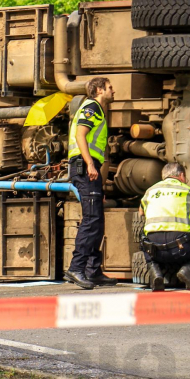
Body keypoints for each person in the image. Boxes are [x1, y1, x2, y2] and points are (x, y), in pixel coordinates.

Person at [64, 77, 116, 290]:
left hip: (89, 168)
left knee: (97, 220)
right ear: (99, 90)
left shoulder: (98, 110)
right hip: (85, 166)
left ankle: (93, 271)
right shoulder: (92, 107)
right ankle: (76, 268)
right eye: (110, 87)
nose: (113, 90)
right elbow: (80, 135)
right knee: (91, 219)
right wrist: (90, 164)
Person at [138, 163, 190, 291]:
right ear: (181, 175)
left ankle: (155, 273)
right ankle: (188, 270)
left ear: (164, 176)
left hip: (155, 250)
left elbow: (141, 213)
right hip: (181, 249)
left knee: (143, 237)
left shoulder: (150, 191)